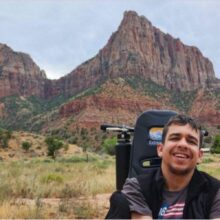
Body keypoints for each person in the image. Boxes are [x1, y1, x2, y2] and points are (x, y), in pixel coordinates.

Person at [106, 114, 220, 219]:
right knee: (119, 200)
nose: (183, 144)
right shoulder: (137, 187)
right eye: (175, 138)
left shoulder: (214, 191)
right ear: (160, 149)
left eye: (191, 141)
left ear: (200, 156)